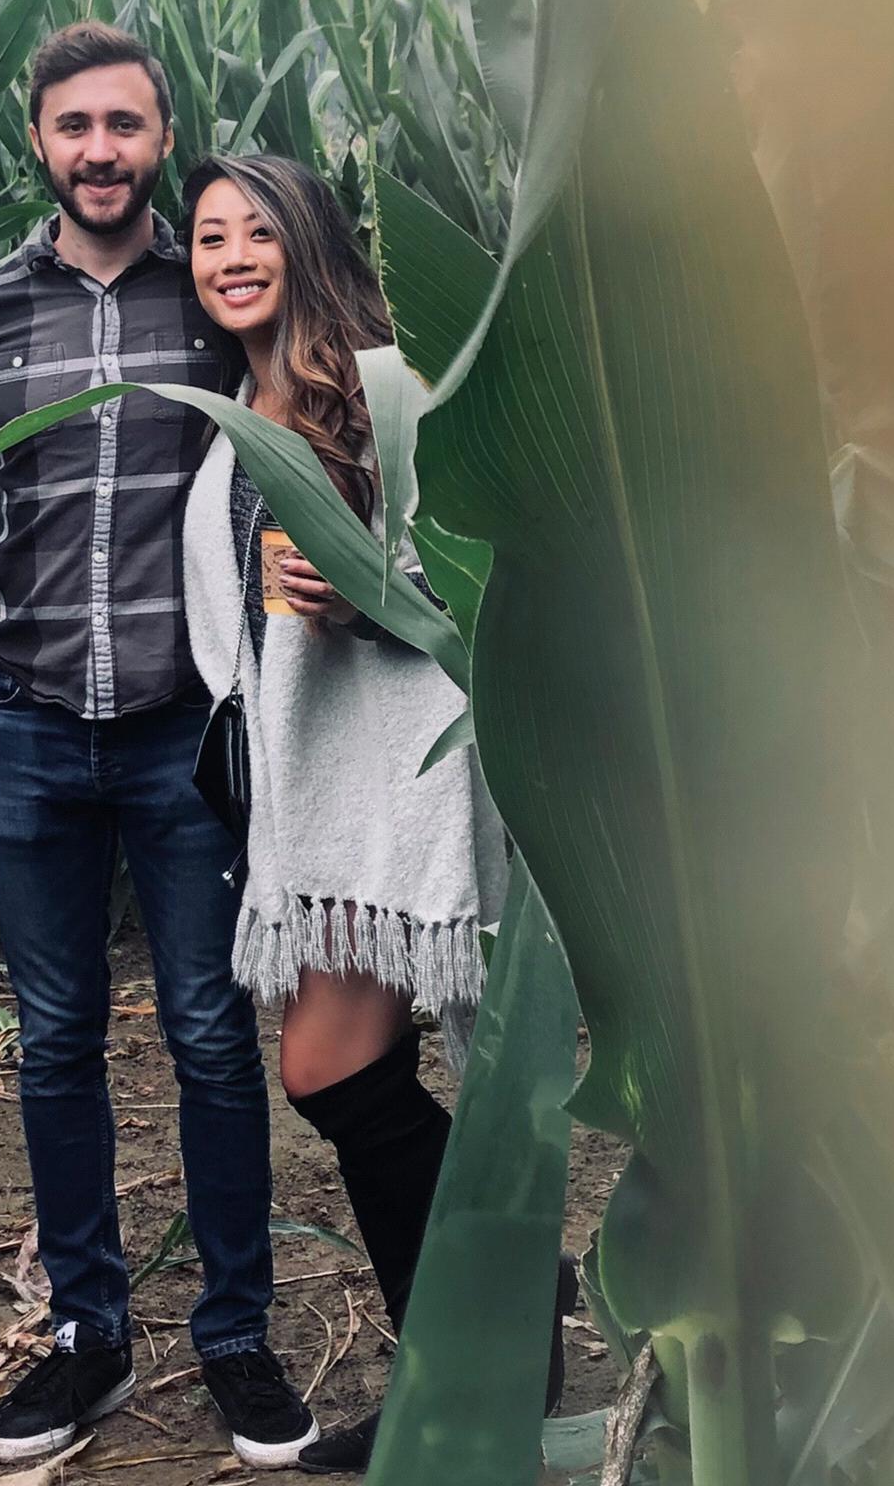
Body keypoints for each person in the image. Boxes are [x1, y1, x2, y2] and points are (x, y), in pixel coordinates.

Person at [0, 25, 320, 1469]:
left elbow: (316, 427)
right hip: (27, 722)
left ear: (159, 131)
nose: (102, 151)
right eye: (75, 127)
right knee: (57, 1041)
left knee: (209, 1033)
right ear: (39, 143)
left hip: (187, 734)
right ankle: (87, 1339)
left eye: (127, 126)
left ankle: (237, 1339)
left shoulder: (216, 300)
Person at [180, 153, 567, 1476]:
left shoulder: (373, 387)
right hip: (319, 803)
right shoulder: (249, 396)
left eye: (255, 231)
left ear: (306, 242)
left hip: (395, 788)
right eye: (209, 235)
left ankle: (493, 1334)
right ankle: (476, 1356)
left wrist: (363, 592)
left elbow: (469, 561)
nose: (230, 253)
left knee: (331, 1073)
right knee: (356, 1078)